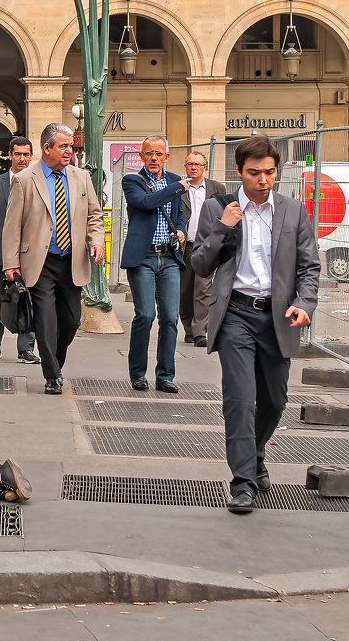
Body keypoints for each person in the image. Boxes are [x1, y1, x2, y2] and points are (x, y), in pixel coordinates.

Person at [190, 136, 319, 514]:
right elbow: (199, 264)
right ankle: (243, 482)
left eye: (270, 172)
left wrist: (304, 303)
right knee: (241, 400)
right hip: (235, 315)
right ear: (240, 171)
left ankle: (256, 451)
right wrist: (224, 228)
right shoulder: (219, 207)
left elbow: (309, 267)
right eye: (254, 173)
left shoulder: (293, 211)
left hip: (278, 317)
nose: (263, 180)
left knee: (275, 400)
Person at [1, 123, 105, 395]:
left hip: (72, 260)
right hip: (40, 261)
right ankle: (52, 375)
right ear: (47, 148)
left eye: (70, 146)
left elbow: (95, 215)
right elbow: (12, 226)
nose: (69, 151)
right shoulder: (25, 180)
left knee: (70, 321)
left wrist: (96, 242)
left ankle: (54, 361)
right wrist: (11, 264)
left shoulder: (81, 178)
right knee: (46, 320)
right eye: (63, 146)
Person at [120, 135, 188, 393]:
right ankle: (137, 373)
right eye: (149, 153)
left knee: (170, 317)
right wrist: (177, 188)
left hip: (169, 257)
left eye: (159, 153)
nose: (154, 158)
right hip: (143, 257)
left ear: (167, 157)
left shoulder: (173, 181)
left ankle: (165, 376)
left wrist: (180, 230)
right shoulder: (133, 181)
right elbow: (145, 203)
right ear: (141, 155)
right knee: (146, 315)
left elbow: (179, 215)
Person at [0, 136, 39, 364]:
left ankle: (25, 349)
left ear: (31, 156)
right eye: (18, 154)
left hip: (29, 254)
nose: (22, 158)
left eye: (26, 154)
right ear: (10, 155)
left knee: (26, 301)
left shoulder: (38, 182)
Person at [179, 151, 227, 348]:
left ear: (204, 167)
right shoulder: (179, 188)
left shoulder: (217, 188)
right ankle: (189, 329)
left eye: (197, 164)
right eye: (190, 163)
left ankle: (200, 331)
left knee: (203, 288)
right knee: (184, 290)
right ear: (185, 167)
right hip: (186, 246)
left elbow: (225, 214)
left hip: (208, 245)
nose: (193, 167)